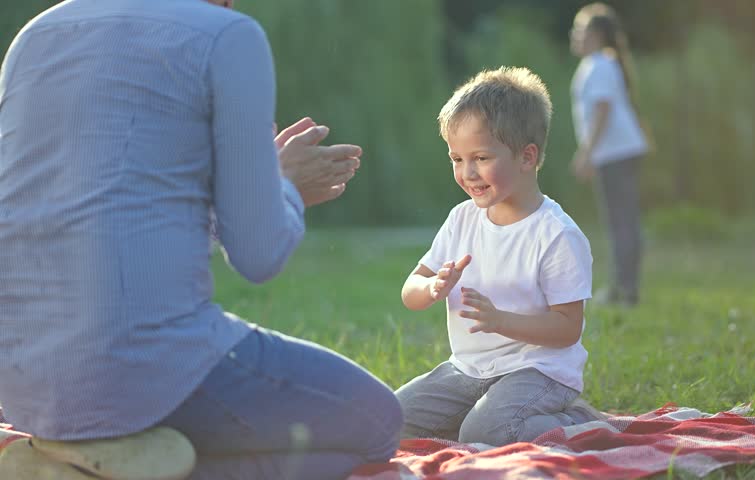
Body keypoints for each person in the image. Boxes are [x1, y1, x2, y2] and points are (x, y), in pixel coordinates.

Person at [0, 0, 402, 479]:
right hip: (137, 369)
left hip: (22, 382)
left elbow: (104, 223)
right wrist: (285, 188)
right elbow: (258, 254)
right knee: (378, 424)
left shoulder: (36, 34)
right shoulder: (227, 34)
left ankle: (80, 461)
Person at [395, 67, 603, 447]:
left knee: (486, 432)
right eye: (456, 159)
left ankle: (579, 420)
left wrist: (499, 320)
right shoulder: (461, 219)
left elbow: (567, 329)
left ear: (526, 157)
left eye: (480, 157)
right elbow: (411, 290)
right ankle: (484, 418)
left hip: (539, 371)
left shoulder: (556, 234)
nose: (467, 172)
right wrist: (432, 286)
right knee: (389, 420)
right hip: (468, 370)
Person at [570, 2, 649, 306]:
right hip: (615, 152)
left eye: (580, 30)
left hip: (616, 152)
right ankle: (620, 286)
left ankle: (626, 289)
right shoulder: (596, 64)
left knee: (622, 221)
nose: (575, 36)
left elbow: (602, 110)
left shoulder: (600, 65)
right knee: (618, 221)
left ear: (597, 35)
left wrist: (586, 153)